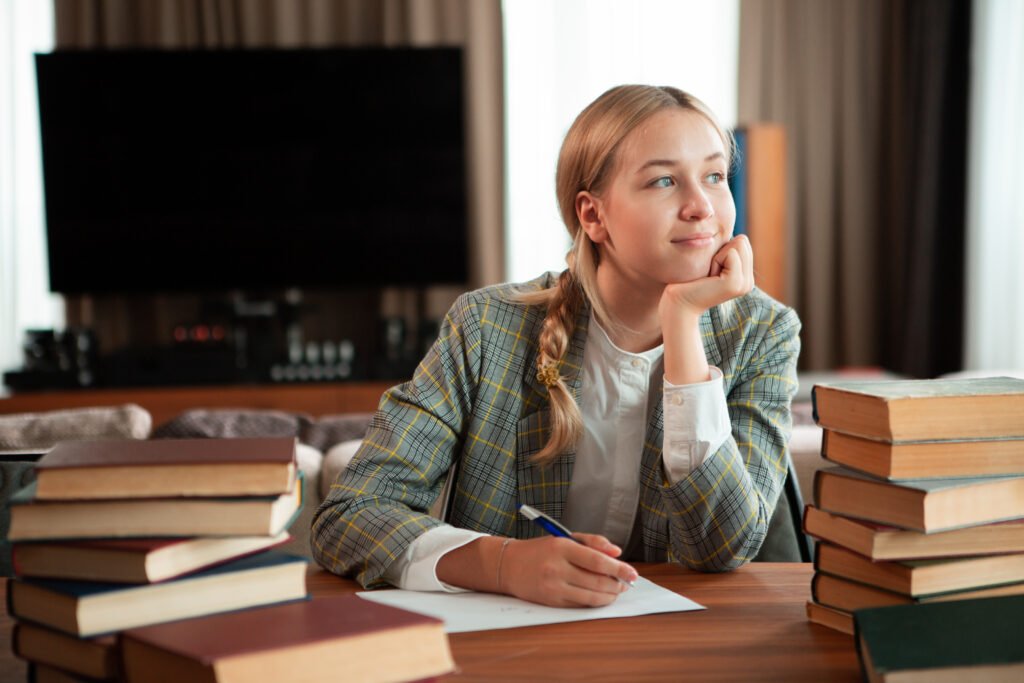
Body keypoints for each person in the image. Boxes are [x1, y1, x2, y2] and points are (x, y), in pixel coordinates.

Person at [312, 84, 801, 608]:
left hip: (674, 646)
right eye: (663, 180)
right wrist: (503, 563)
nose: (702, 206)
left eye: (714, 176)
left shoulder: (764, 332)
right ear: (593, 217)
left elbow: (720, 547)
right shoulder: (486, 327)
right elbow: (348, 514)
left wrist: (682, 325)